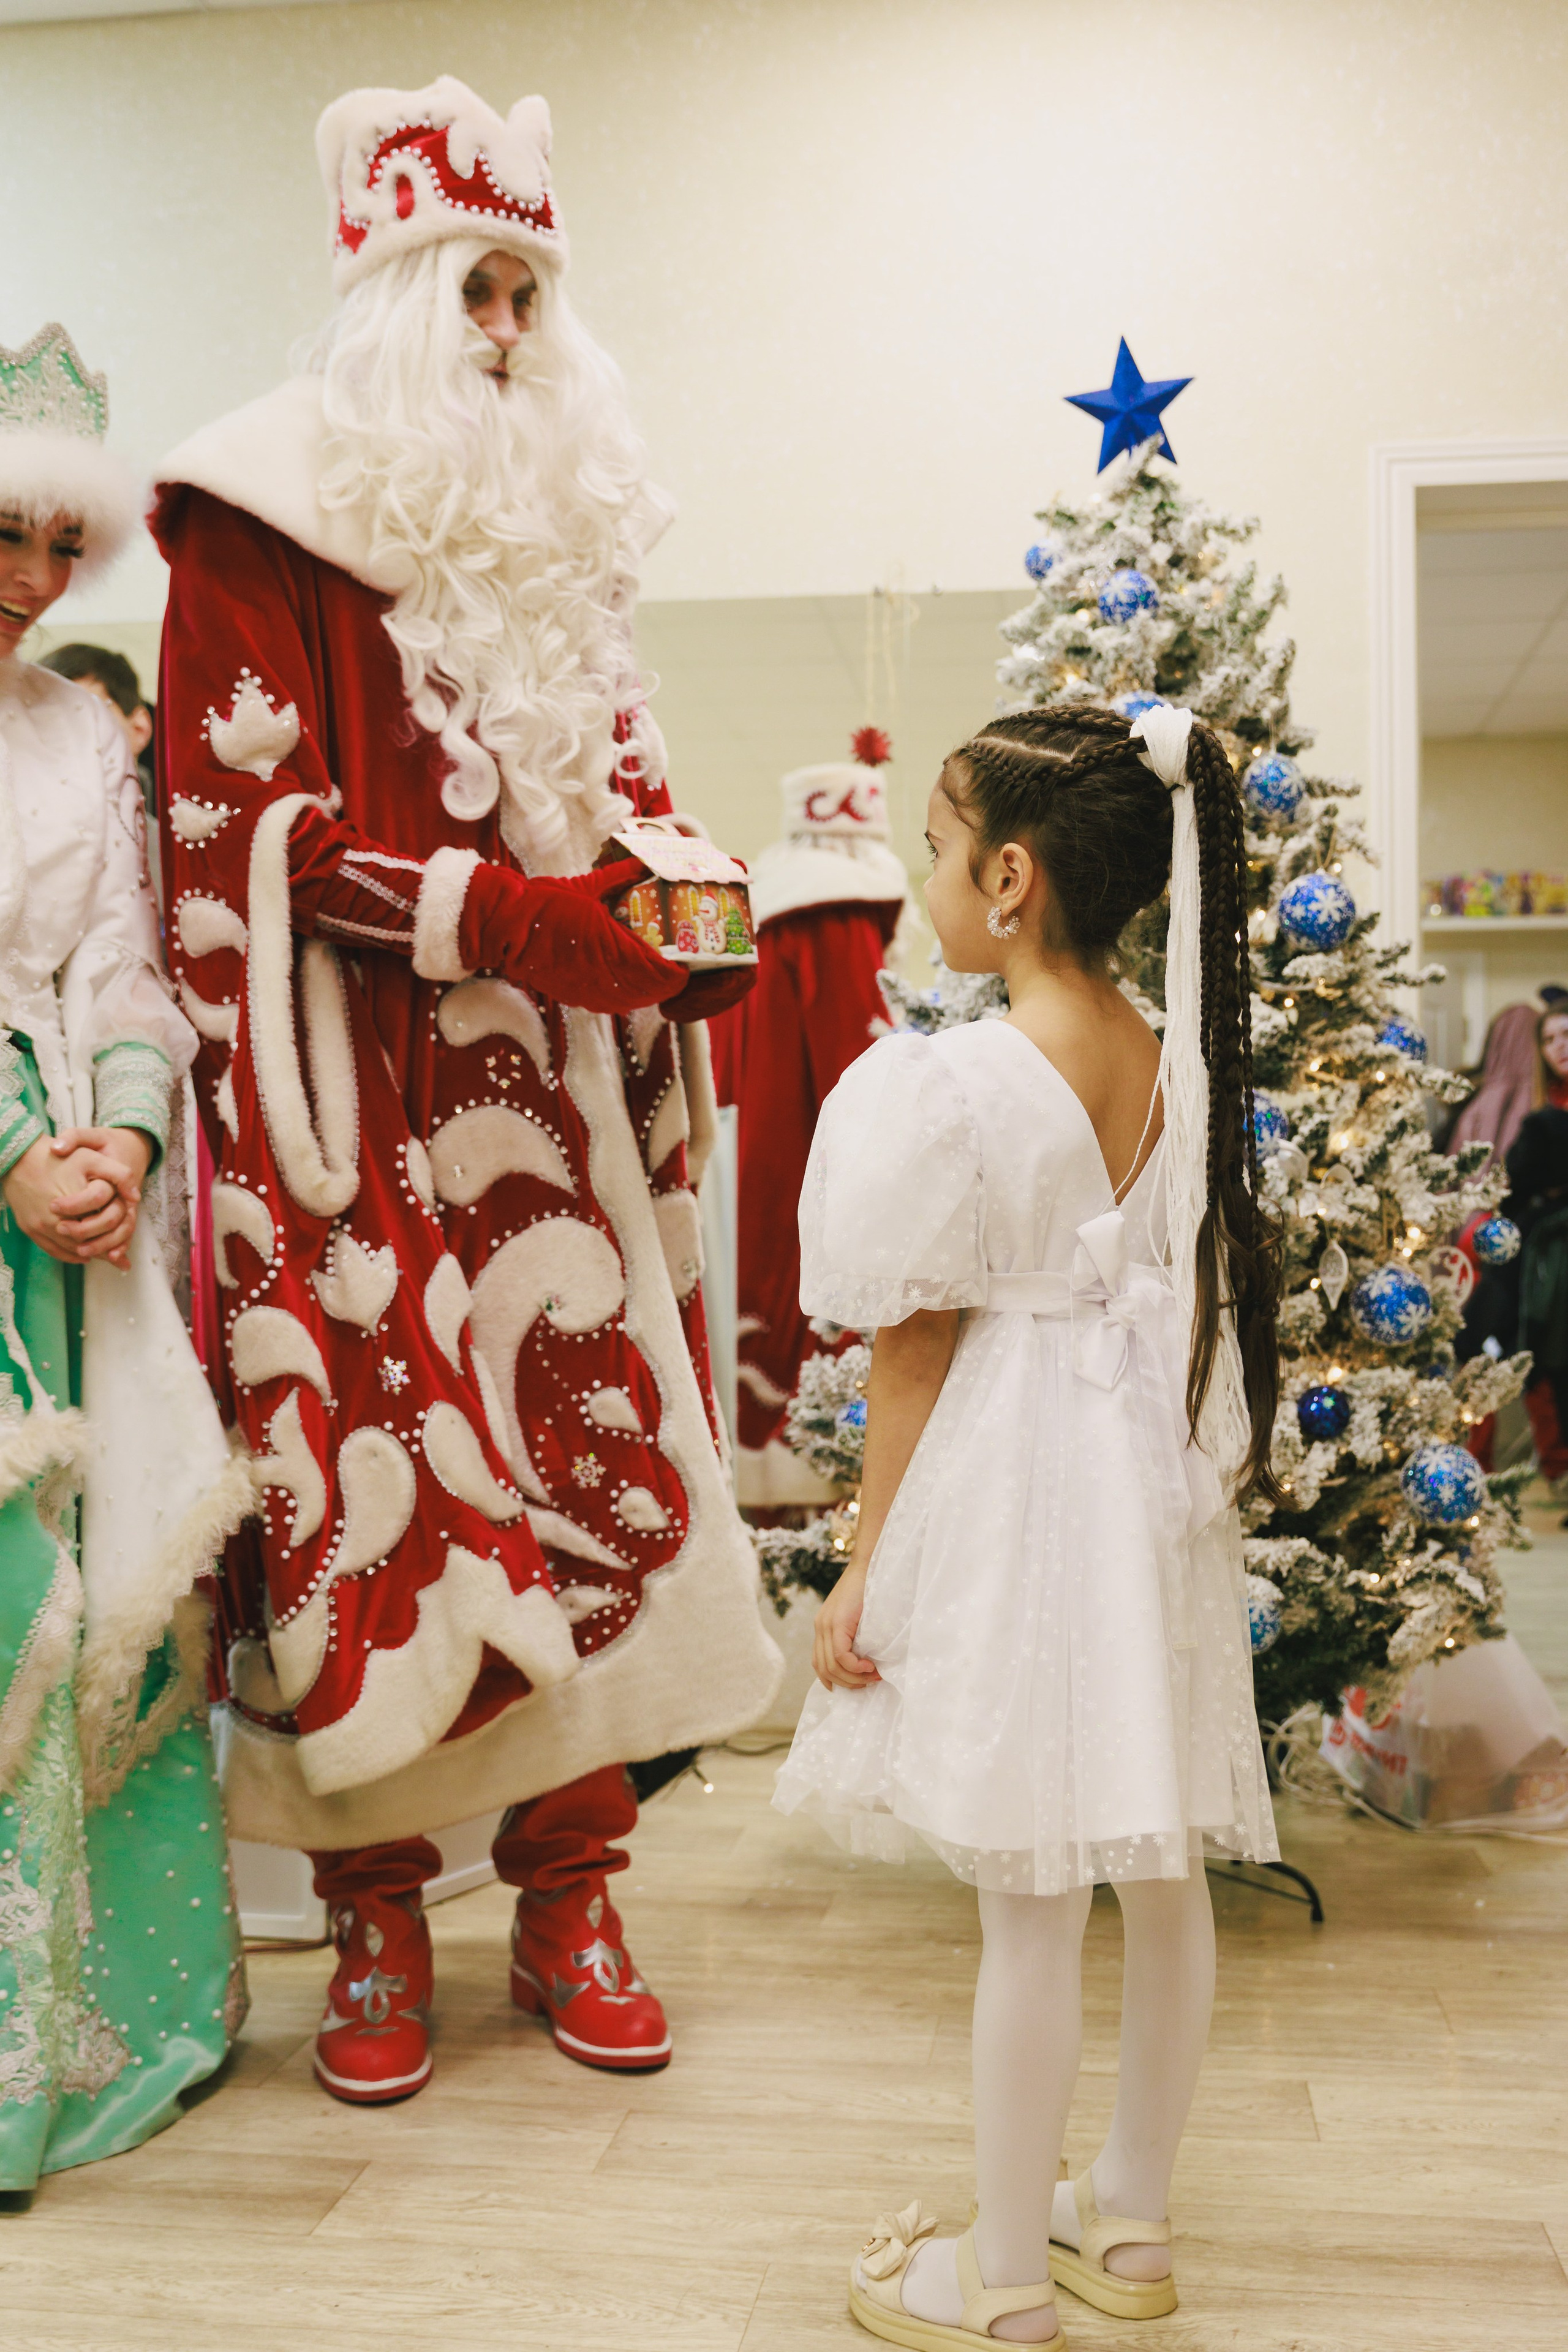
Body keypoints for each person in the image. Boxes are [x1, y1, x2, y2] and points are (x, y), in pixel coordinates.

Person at [149, 77, 780, 2106]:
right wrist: (503, 919)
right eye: (476, 282)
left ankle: (576, 1883)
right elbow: (236, 828)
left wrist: (685, 903)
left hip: (569, 1112)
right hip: (366, 1114)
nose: (509, 321)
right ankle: (378, 1916)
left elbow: (626, 770)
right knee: (400, 1500)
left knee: (603, 1483)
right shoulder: (255, 517)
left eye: (535, 286)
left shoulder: (560, 530)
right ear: (399, 294)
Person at [775, 703, 1282, 2348]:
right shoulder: (1169, 1051)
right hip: (1145, 1477)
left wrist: (863, 1564)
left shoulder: (968, 1078)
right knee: (1164, 1857)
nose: (923, 873)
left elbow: (916, 1341)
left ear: (1008, 877)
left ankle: (998, 2281)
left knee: (1034, 1894)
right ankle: (1124, 2225)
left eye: (933, 844)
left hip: (1020, 1475)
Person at [0, 323, 252, 2190]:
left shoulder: (83, 729)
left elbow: (126, 965)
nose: (30, 579)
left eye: (58, 547)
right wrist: (10, 1151)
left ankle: (118, 2009)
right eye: (1, 535)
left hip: (75, 1238)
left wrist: (124, 1136)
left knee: (104, 1605)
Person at [708, 728, 911, 1504]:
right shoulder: (836, 919)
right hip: (809, 1172)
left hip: (748, 1162)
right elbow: (861, 1065)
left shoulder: (761, 915)